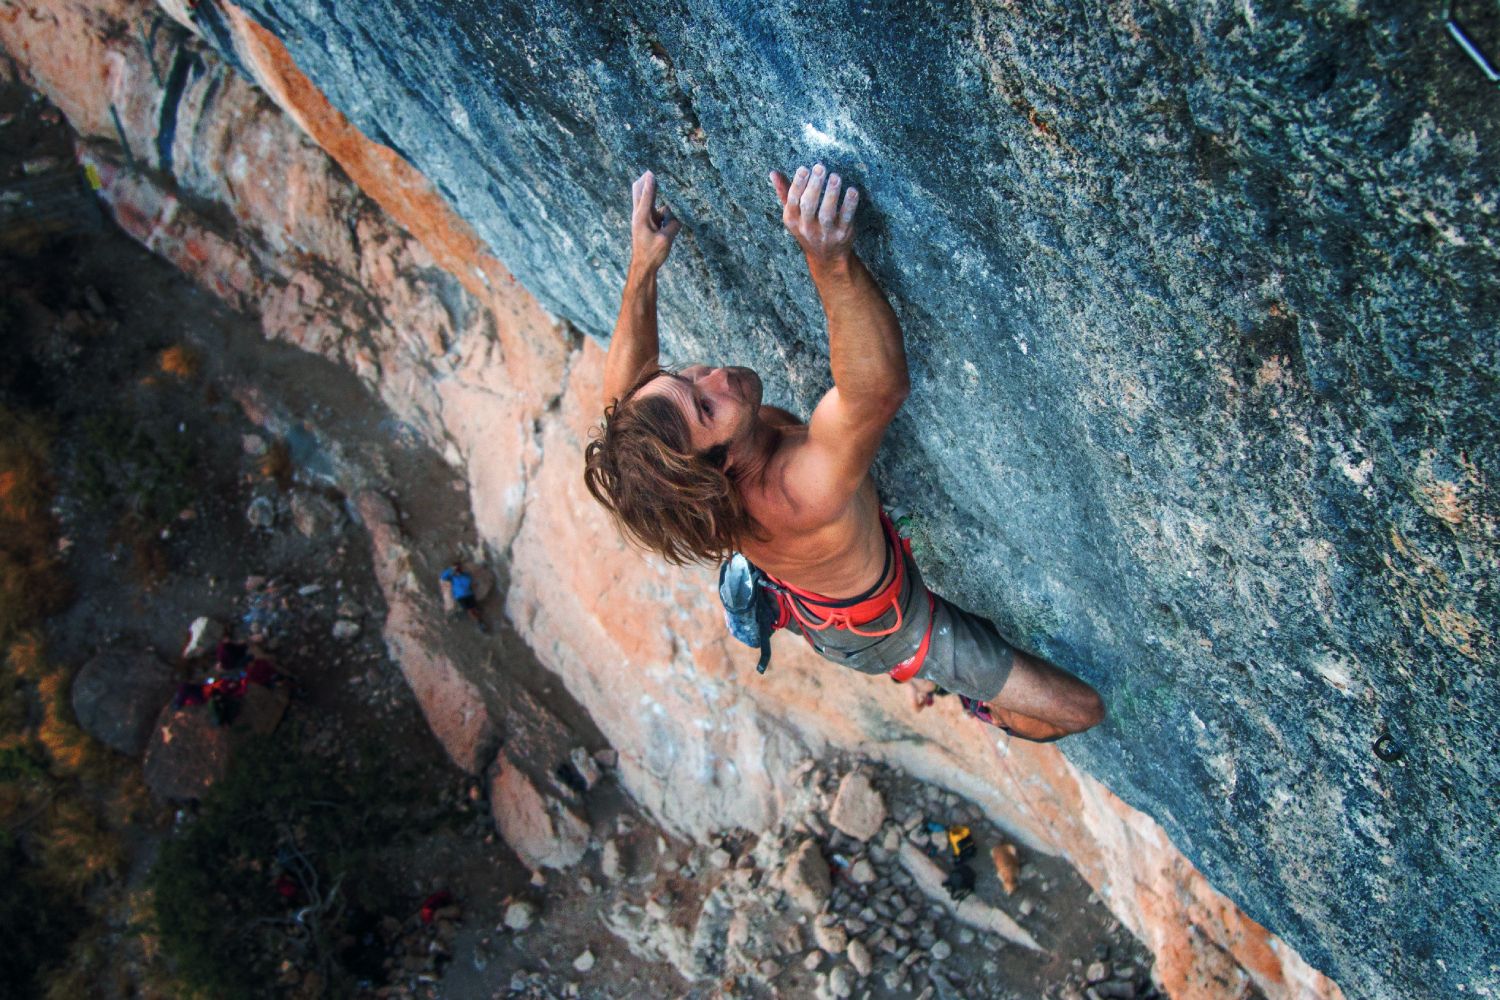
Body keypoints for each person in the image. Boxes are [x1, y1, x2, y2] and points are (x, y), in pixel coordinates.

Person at [583, 166, 1104, 742]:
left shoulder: (667, 452)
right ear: (721, 469)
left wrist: (644, 265)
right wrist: (829, 261)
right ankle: (976, 705)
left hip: (810, 584)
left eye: (688, 376)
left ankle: (786, 600)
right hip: (882, 628)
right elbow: (875, 391)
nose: (717, 376)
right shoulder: (796, 492)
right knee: (1081, 711)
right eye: (707, 408)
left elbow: (624, 391)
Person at [441, 562, 489, 633]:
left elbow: (469, 581)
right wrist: (451, 570)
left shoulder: (466, 575)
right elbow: (443, 577)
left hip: (469, 594)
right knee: (470, 610)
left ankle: (479, 621)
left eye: (458, 568)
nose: (457, 570)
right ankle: (480, 623)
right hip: (460, 597)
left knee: (473, 609)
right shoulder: (452, 577)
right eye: (456, 569)